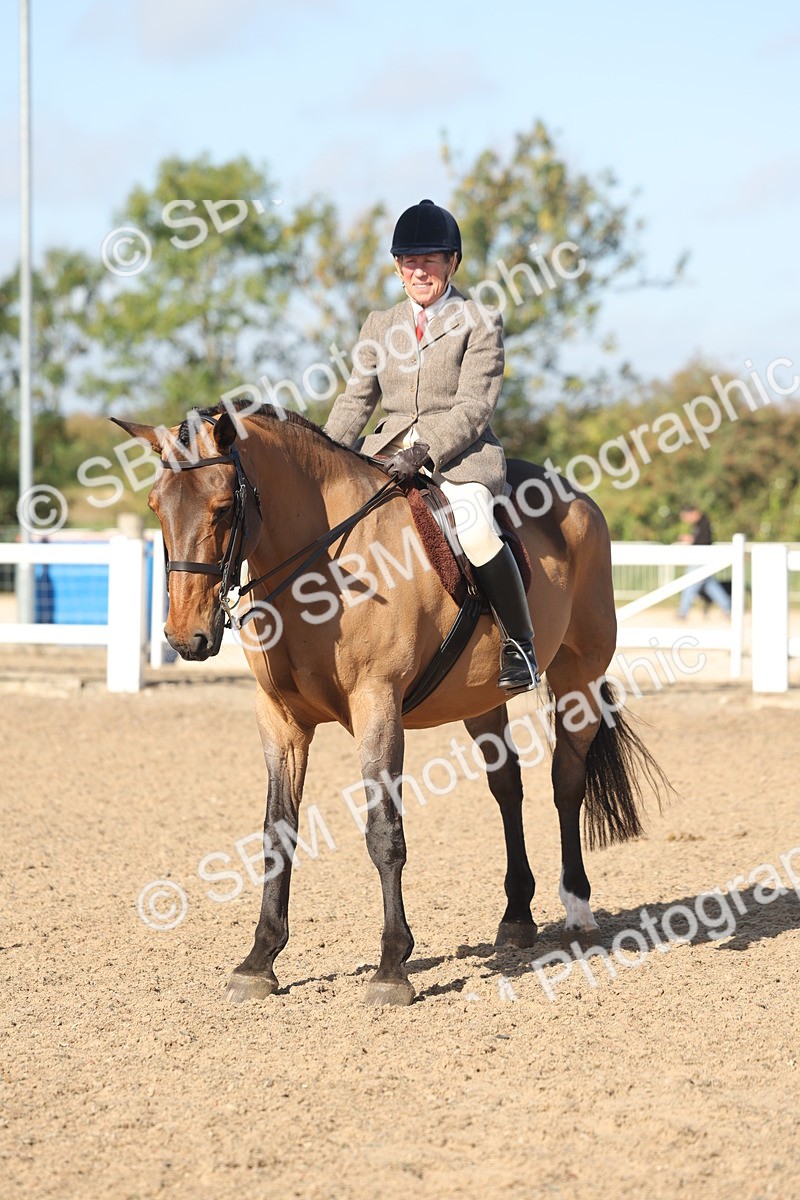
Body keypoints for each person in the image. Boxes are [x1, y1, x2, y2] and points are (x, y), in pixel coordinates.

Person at [323, 198, 540, 692]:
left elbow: (475, 406)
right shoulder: (380, 324)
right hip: (386, 454)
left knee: (479, 530)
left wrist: (426, 452)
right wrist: (325, 458)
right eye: (410, 262)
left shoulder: (479, 320)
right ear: (398, 268)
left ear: (452, 263)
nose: (419, 271)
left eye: (430, 260)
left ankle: (520, 644)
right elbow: (356, 399)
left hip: (458, 459)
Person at [677, 505, 732, 619]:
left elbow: (704, 541)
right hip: (702, 559)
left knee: (690, 583)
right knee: (710, 585)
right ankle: (728, 608)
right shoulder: (700, 524)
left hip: (700, 559)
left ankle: (682, 612)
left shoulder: (703, 523)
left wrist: (690, 540)